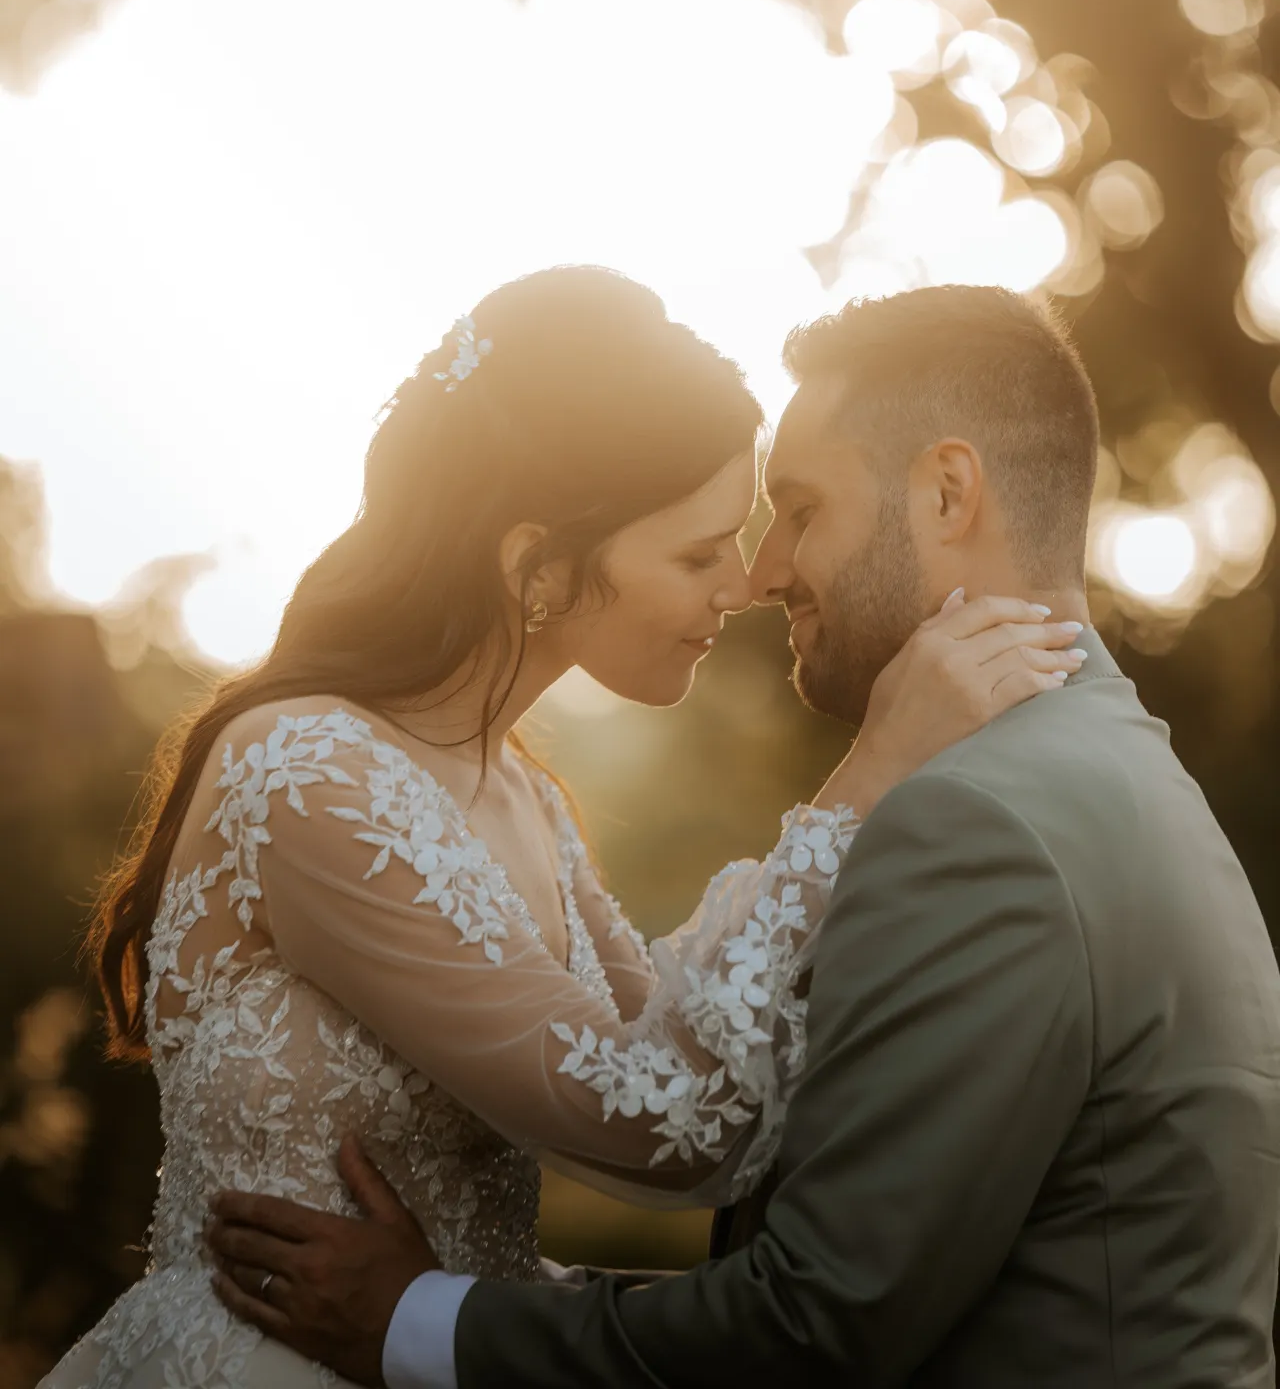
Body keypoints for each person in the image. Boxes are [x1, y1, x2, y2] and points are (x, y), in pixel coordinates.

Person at [208, 283, 1280, 1388]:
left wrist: (422, 1318)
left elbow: (813, 1320)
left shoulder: (977, 819)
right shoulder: (1113, 767)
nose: (761, 576)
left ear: (948, 491)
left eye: (799, 509)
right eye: (708, 546)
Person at [44, 267, 1076, 1389]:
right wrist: (867, 777)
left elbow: (667, 1041)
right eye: (696, 552)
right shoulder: (309, 777)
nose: (742, 584)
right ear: (537, 564)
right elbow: (665, 1121)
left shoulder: (520, 792)